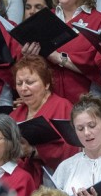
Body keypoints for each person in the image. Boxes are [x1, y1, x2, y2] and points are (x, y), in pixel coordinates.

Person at [41, 0, 101, 104]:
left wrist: (59, 58)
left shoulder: (99, 21)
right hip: (48, 101)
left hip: (86, 103)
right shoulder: (45, 19)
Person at [10, 55, 77, 183]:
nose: (23, 88)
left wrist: (33, 151)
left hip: (57, 177)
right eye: (19, 83)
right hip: (22, 179)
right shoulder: (15, 115)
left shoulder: (62, 106)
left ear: (46, 84)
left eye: (30, 82)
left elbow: (71, 150)